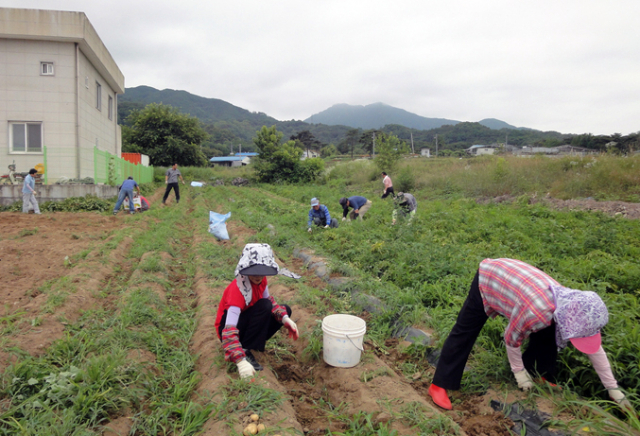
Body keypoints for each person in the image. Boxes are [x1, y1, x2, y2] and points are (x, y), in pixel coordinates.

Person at [428, 258, 631, 411]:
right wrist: (519, 374)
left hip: (521, 284)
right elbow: (511, 338)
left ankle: (541, 373)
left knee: (550, 329)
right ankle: (440, 384)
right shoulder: (537, 312)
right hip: (491, 277)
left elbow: (595, 350)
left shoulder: (572, 307)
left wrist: (613, 389)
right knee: (466, 330)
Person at [215, 243, 301, 379]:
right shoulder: (237, 289)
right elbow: (228, 329)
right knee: (264, 305)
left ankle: (252, 346)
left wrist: (285, 319)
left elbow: (270, 303)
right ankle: (245, 351)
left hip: (244, 323)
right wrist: (240, 361)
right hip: (228, 328)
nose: (258, 276)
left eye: (262, 271)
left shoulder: (262, 281)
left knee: (284, 309)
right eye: (254, 271)